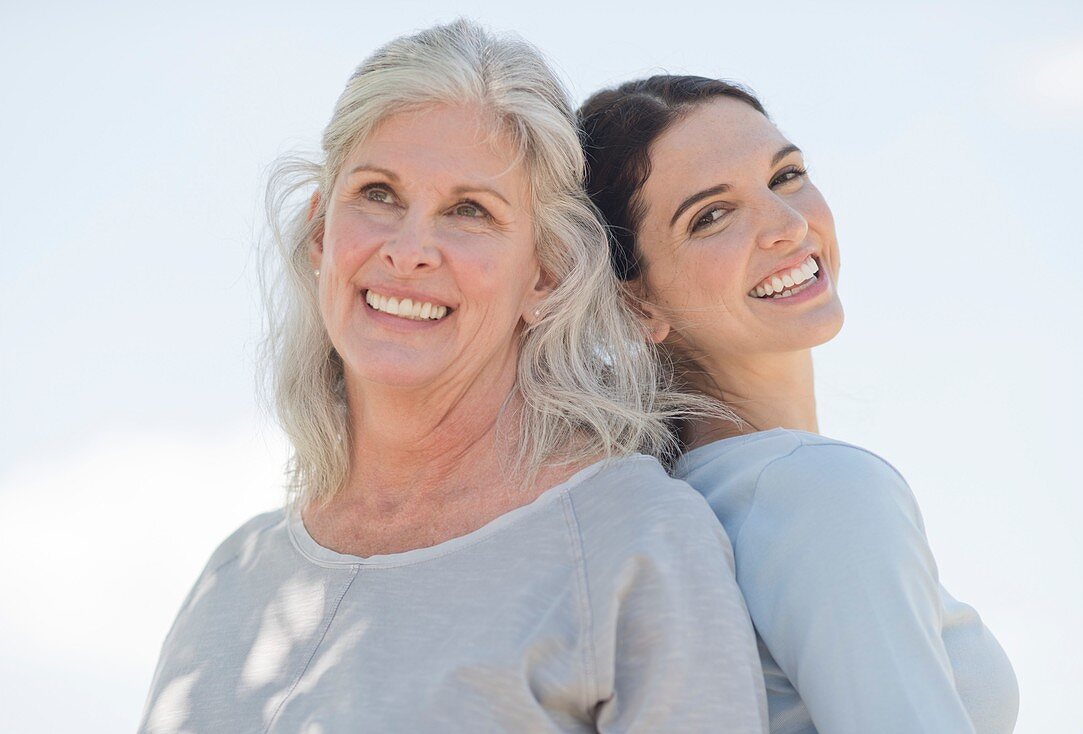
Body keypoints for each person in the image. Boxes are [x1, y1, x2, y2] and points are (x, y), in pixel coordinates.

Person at [138, 25, 769, 734]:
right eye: (378, 194)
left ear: (547, 274)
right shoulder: (233, 576)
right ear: (321, 234)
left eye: (469, 210)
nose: (409, 251)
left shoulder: (634, 539)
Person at [578, 75, 1019, 734]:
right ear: (636, 301)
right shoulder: (818, 490)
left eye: (785, 177)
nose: (787, 225)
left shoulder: (682, 499)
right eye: (712, 215)